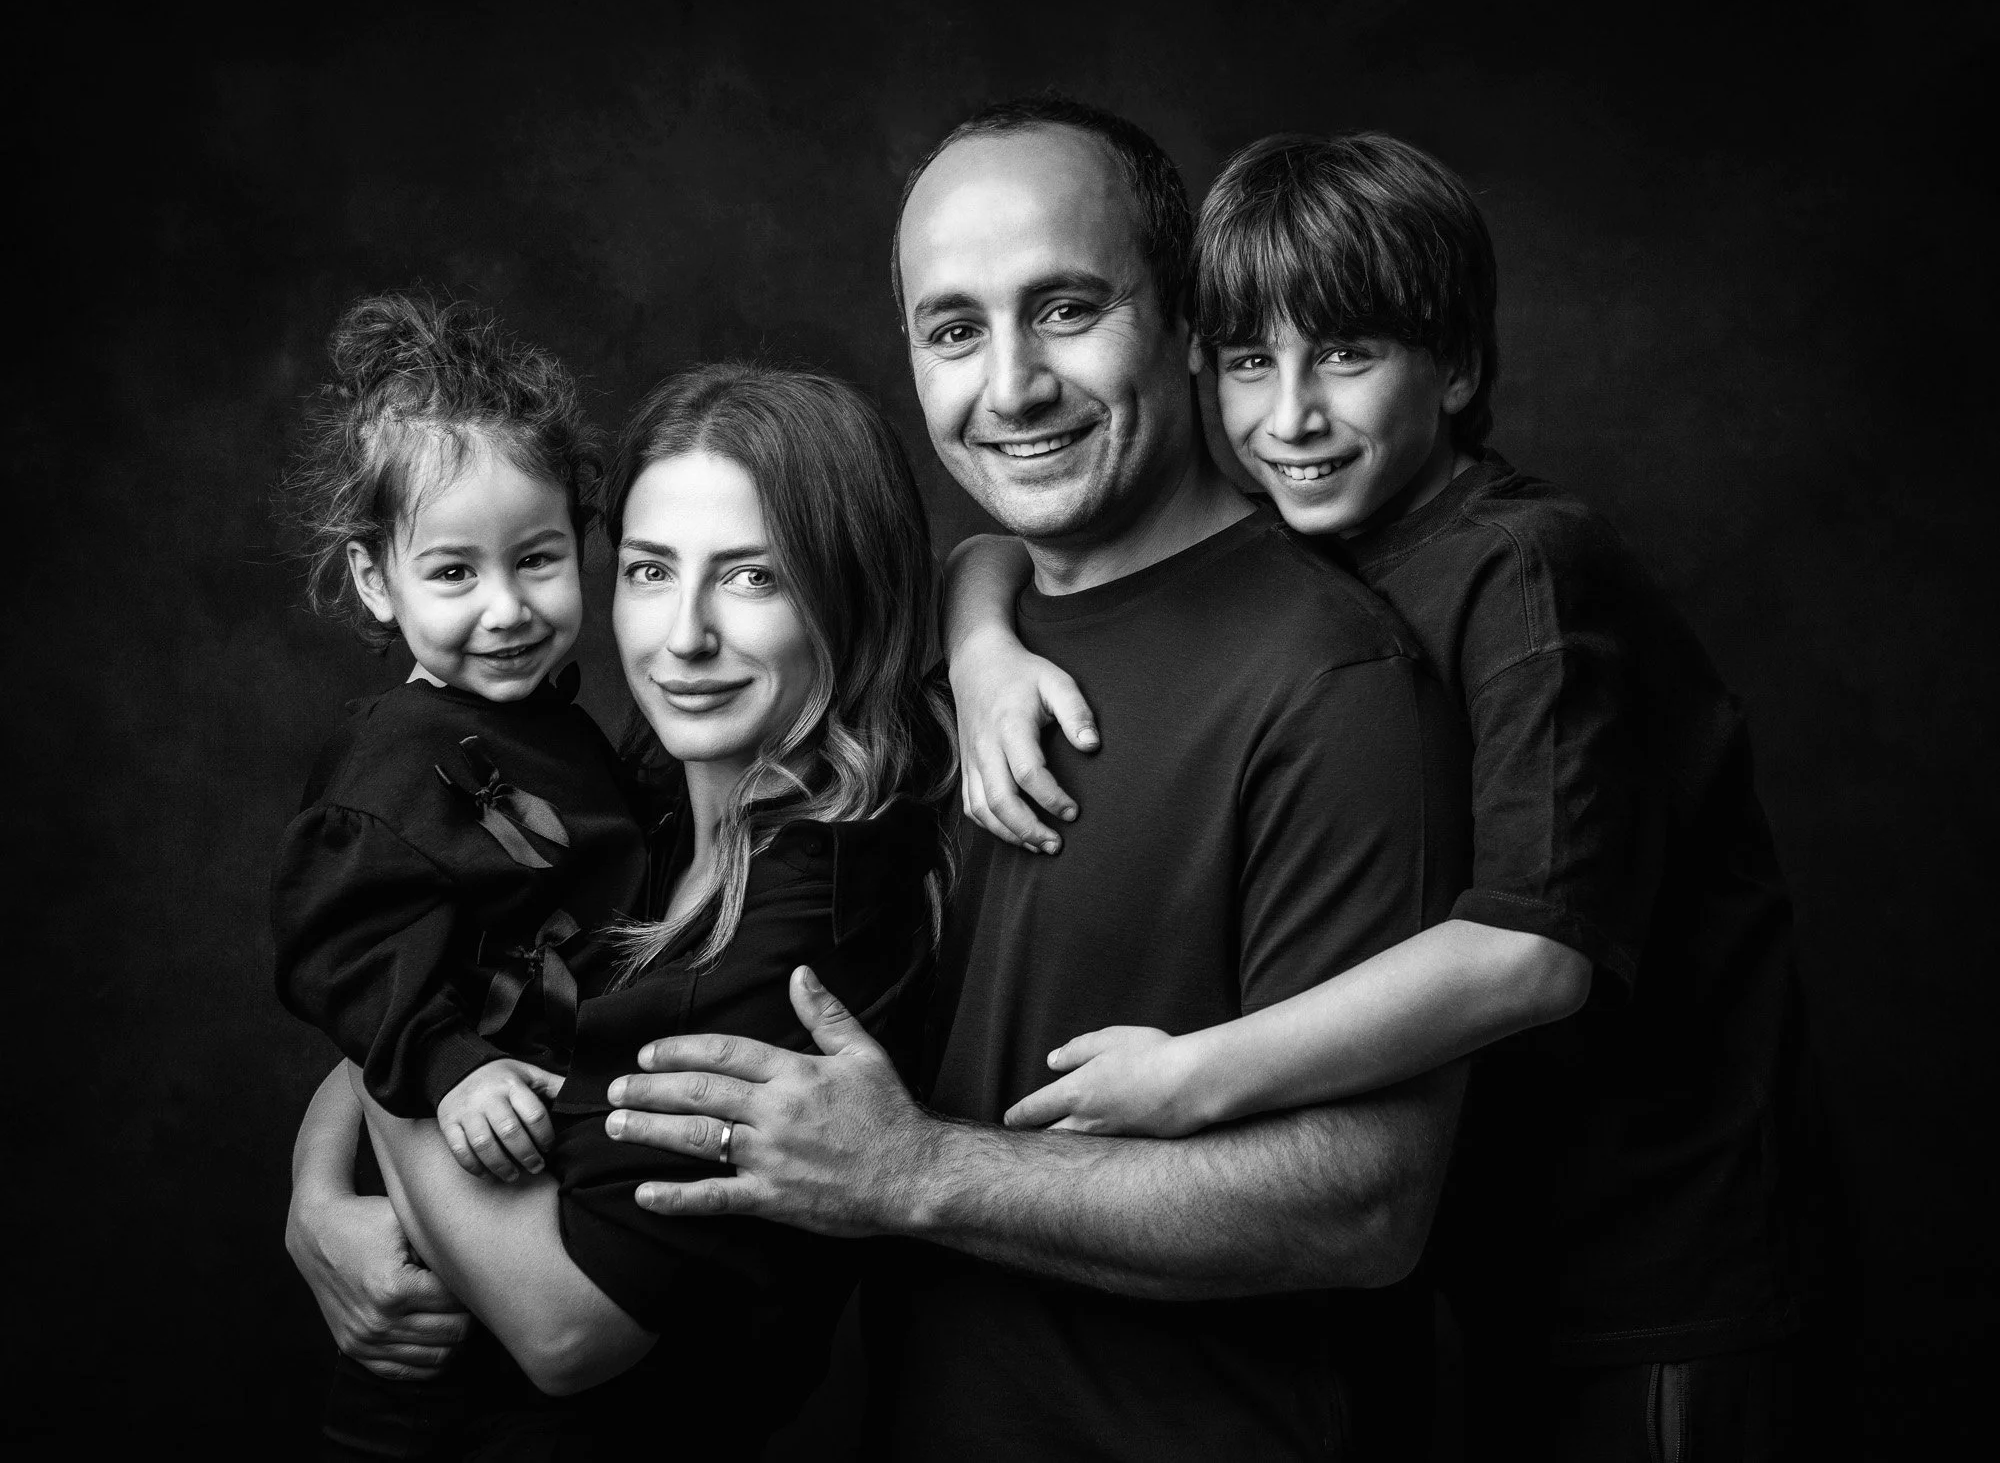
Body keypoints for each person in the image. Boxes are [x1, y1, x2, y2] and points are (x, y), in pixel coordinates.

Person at [600, 98, 1473, 1460]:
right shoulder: (934, 666)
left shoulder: (1329, 682)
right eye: (954, 330)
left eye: (1066, 310)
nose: (1009, 388)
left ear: (1186, 320)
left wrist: (918, 1172)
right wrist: (344, 1171)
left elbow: (1363, 1206)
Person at [946, 131, 1803, 1456]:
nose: (1289, 416)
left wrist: (1192, 1078)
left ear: (1453, 367)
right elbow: (1002, 540)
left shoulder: (1525, 568)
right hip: (1503, 1275)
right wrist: (979, 646)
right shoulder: (1331, 536)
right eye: (1249, 362)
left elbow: (1530, 955)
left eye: (1345, 356)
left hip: (1664, 1279)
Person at [285, 360, 953, 1456]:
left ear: (849, 595)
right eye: (649, 570)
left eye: (753, 578)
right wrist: (316, 1198)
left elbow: (564, 1333)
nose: (682, 637)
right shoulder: (643, 789)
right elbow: (420, 981)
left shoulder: (813, 912)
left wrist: (396, 1075)